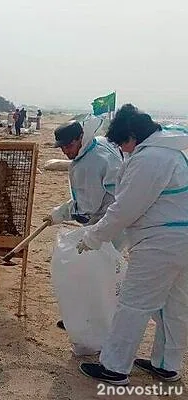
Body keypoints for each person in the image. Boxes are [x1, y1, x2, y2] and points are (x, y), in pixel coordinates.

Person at [76, 104, 188, 386]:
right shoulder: (173, 148)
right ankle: (166, 365)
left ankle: (114, 367)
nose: (123, 151)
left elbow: (125, 209)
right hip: (181, 240)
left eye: (123, 145)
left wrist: (93, 237)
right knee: (174, 306)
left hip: (160, 242)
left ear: (132, 136)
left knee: (134, 304)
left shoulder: (151, 158)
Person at [44, 120, 124, 330]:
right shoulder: (97, 144)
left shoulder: (89, 164)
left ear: (80, 138)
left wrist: (60, 214)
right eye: (61, 147)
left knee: (95, 271)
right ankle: (82, 316)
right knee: (94, 269)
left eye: (68, 146)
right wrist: (59, 213)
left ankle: (93, 321)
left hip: (110, 221)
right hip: (113, 216)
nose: (64, 152)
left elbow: (86, 207)